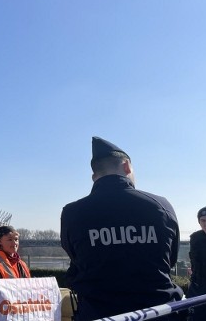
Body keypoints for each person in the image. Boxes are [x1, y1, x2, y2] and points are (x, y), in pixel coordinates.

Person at [60, 136, 183, 320]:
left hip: (99, 313)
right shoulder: (160, 206)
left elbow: (76, 260)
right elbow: (170, 260)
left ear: (94, 177)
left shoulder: (72, 213)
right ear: (127, 167)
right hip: (157, 313)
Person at [0, 226, 31, 311]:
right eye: (9, 240)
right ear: (0, 242)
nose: (14, 243)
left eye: (16, 239)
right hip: (2, 314)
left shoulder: (22, 264)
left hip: (21, 313)